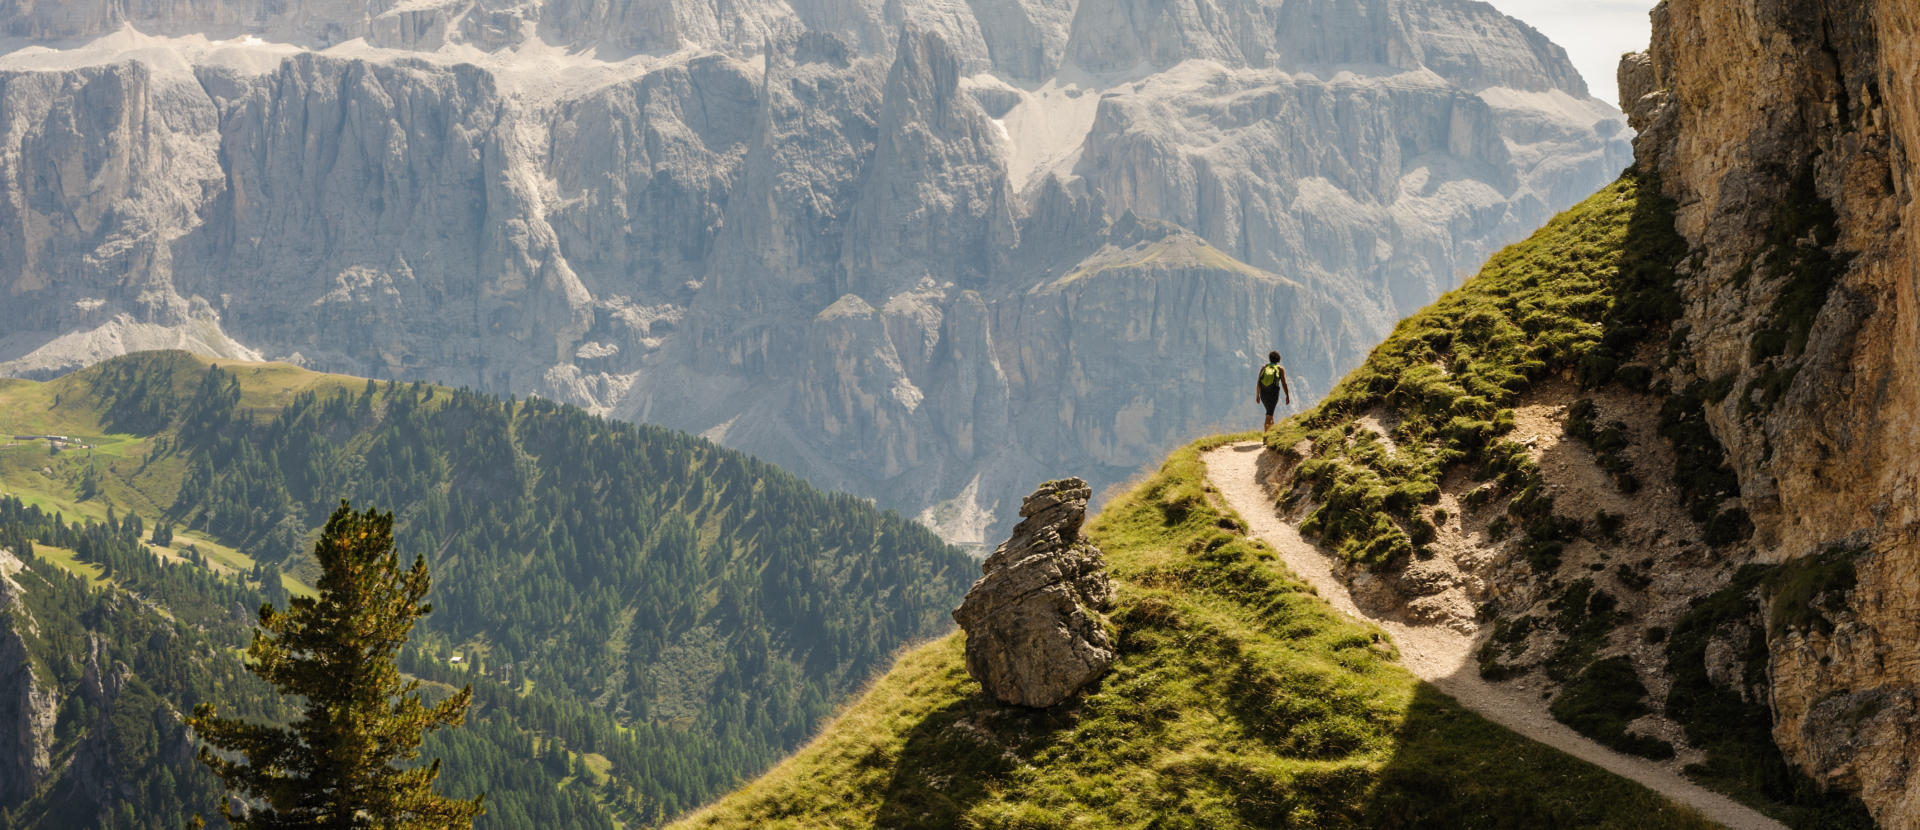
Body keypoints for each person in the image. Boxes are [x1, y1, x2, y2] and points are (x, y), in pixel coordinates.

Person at [1255, 351, 1291, 431]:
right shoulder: (1280, 369)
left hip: (1263, 393)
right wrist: (1287, 395)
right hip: (1273, 394)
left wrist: (1257, 395)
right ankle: (1266, 437)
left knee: (1270, 413)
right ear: (1278, 359)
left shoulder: (1264, 367)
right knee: (1269, 415)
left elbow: (1258, 383)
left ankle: (1272, 435)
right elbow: (1284, 384)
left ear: (1270, 359)